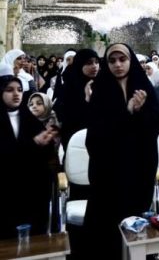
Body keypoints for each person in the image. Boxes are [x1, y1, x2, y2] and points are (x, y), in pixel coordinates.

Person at [84, 43, 159, 257]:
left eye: (122, 59)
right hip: (109, 171)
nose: (118, 65)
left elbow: (156, 123)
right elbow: (96, 135)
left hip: (139, 166)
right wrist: (126, 111)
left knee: (135, 222)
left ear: (131, 61)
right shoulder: (100, 91)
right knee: (107, 227)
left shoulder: (144, 87)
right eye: (112, 61)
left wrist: (139, 112)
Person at [0, 76, 58, 239]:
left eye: (19, 90)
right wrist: (33, 143)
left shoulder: (29, 119)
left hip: (31, 190)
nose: (16, 94)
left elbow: (44, 156)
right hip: (6, 191)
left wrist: (46, 142)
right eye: (9, 90)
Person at [55, 48, 100, 149]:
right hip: (75, 140)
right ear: (80, 64)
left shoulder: (101, 84)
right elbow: (65, 115)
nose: (94, 66)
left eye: (97, 62)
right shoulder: (69, 86)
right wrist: (86, 100)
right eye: (89, 63)